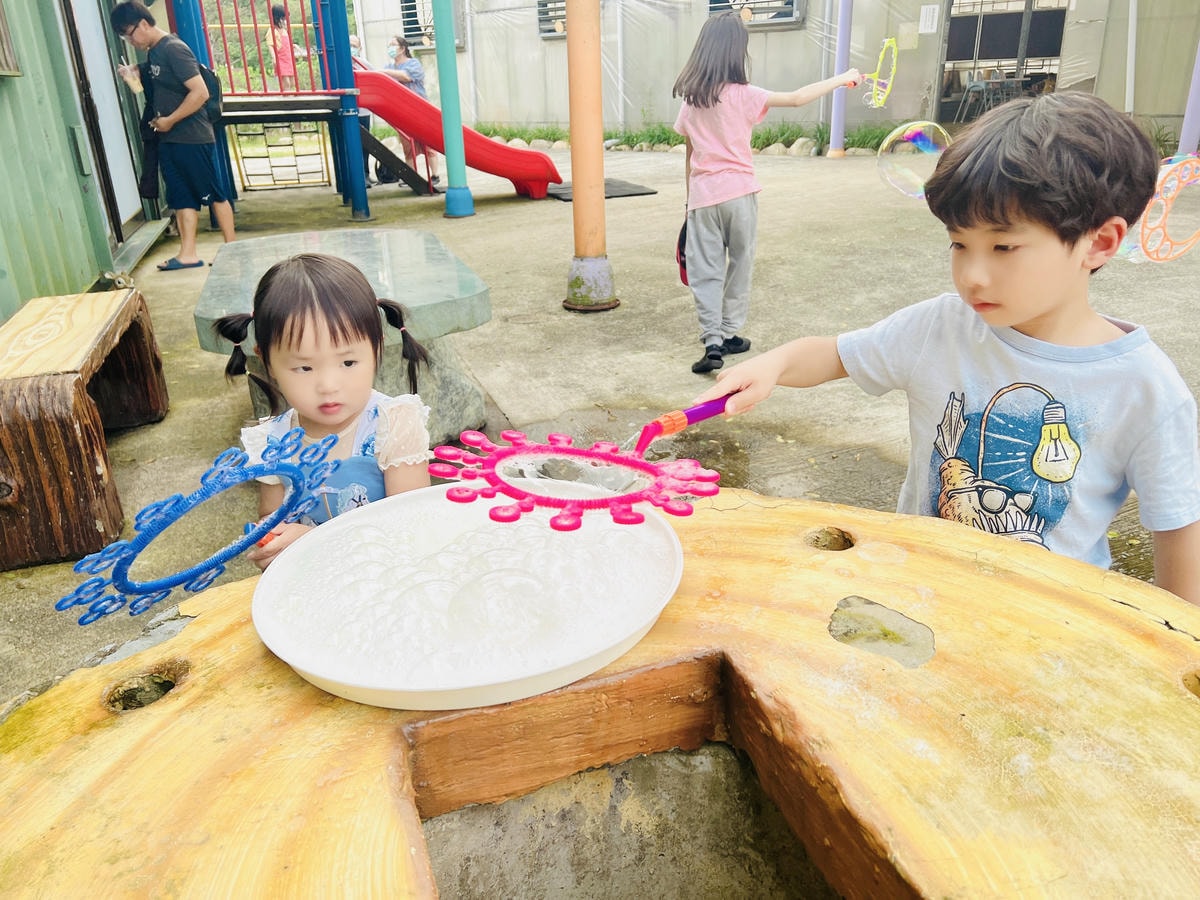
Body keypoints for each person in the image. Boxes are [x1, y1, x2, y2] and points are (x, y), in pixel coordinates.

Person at [695, 92, 1200, 605]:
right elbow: (834, 355)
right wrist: (774, 364)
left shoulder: (1145, 389)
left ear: (1099, 242)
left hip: (1051, 620)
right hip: (917, 591)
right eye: (960, 244)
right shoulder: (941, 326)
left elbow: (1179, 533)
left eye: (1003, 247)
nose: (972, 276)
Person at [213, 254, 433, 569]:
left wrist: (312, 541)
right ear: (267, 362)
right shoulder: (273, 440)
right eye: (304, 367)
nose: (328, 385)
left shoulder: (393, 424)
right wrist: (271, 542)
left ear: (376, 348)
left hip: (385, 580)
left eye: (348, 362)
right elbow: (270, 517)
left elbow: (411, 528)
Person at [672, 11, 859, 375]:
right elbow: (798, 97)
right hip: (740, 194)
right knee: (741, 263)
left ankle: (713, 342)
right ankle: (729, 332)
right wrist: (843, 78)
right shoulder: (745, 95)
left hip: (703, 196)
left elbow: (690, 153)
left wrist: (689, 201)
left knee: (706, 271)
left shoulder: (691, 100)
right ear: (736, 52)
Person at [110, 1, 235, 270]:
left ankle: (231, 249)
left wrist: (170, 120)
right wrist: (136, 72)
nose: (129, 40)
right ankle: (187, 253)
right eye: (124, 36)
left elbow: (200, 93)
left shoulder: (174, 49)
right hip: (169, 137)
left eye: (129, 33)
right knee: (181, 197)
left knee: (214, 193)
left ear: (144, 24)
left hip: (192, 136)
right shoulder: (153, 51)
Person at [383, 35, 439, 185]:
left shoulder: (413, 64)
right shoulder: (389, 67)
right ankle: (412, 176)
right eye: (389, 45)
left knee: (427, 143)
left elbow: (405, 77)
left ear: (402, 48)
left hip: (419, 108)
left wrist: (385, 73)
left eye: (393, 45)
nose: (390, 48)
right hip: (401, 111)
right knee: (407, 144)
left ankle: (434, 175)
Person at [269, 4, 296, 92]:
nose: (284, 20)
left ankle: (289, 97)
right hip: (280, 59)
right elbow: (270, 44)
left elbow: (285, 43)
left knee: (292, 82)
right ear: (277, 18)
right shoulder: (273, 30)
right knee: (286, 83)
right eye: (283, 18)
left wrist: (293, 46)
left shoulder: (284, 30)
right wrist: (273, 57)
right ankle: (286, 99)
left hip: (288, 59)